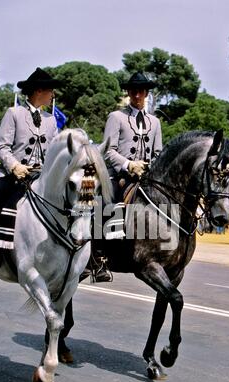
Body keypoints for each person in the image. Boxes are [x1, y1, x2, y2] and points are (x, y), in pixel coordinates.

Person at [0, 67, 60, 267]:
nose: (53, 95)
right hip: (12, 175)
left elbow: (54, 151)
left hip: (39, 177)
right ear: (39, 91)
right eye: (50, 91)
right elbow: (2, 147)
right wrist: (15, 166)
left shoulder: (50, 120)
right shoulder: (14, 113)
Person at [90, 71, 163, 281]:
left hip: (146, 177)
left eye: (140, 91)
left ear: (146, 93)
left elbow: (158, 152)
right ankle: (99, 258)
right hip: (119, 174)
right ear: (129, 93)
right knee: (104, 203)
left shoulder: (155, 122)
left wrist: (149, 167)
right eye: (133, 91)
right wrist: (129, 164)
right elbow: (109, 151)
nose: (137, 95)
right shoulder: (116, 117)